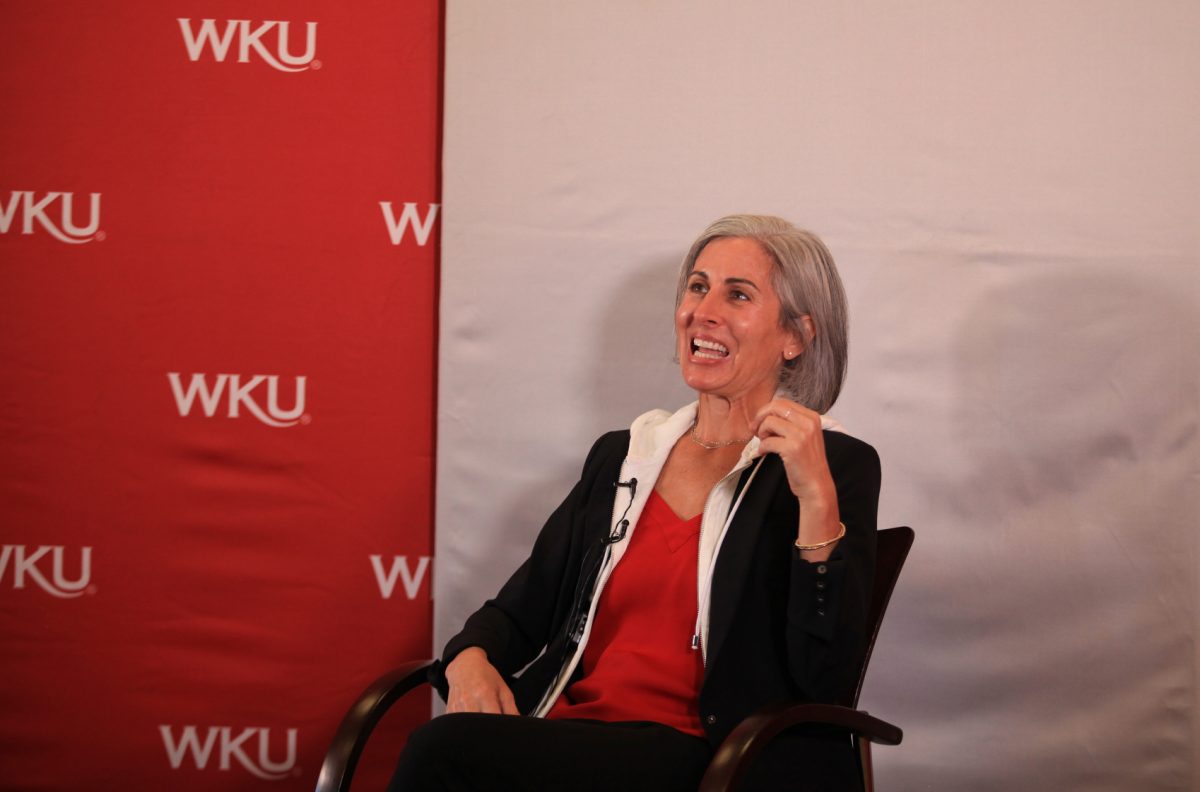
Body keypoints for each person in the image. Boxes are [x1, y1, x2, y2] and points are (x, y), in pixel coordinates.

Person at [390, 215, 880, 791]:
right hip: (570, 733)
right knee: (455, 744)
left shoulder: (834, 464)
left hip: (711, 757)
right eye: (697, 287)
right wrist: (469, 656)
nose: (704, 311)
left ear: (795, 335)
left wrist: (816, 497)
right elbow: (521, 609)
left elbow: (824, 676)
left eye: (738, 294)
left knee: (443, 751)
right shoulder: (625, 457)